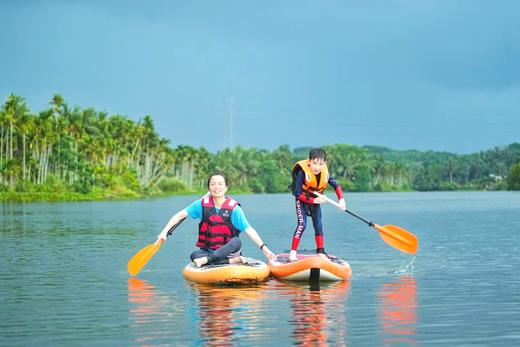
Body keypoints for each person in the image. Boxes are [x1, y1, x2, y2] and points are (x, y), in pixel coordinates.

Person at [157, 172, 275, 267]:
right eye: (213, 184)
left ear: (226, 188)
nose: (216, 187)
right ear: (209, 188)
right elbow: (179, 215)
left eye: (220, 184)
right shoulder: (201, 205)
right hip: (208, 251)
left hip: (229, 252)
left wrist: (264, 248)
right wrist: (164, 231)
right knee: (194, 255)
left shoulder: (234, 209)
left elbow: (249, 230)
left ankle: (207, 261)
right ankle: (230, 261)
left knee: (236, 241)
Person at [288, 148, 346, 261]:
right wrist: (314, 201)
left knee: (318, 225)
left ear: (325, 164)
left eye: (320, 164)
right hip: (302, 200)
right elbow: (298, 193)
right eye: (314, 163)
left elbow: (336, 185)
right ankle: (292, 253)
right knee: (302, 225)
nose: (317, 167)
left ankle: (320, 251)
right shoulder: (302, 173)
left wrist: (341, 200)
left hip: (315, 200)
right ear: (309, 162)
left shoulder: (325, 173)